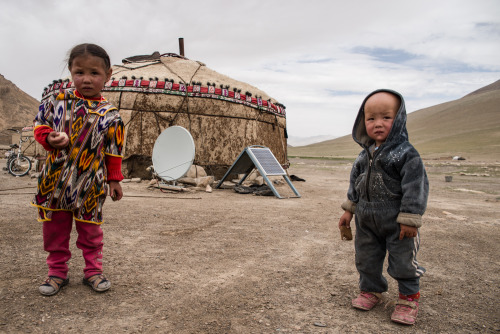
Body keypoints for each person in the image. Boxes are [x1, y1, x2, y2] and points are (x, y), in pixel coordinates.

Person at [31, 43, 124, 296]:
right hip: (55, 180)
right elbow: (40, 125)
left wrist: (114, 180)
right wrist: (49, 138)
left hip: (91, 181)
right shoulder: (56, 101)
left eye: (94, 73)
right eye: (79, 72)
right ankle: (56, 273)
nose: (86, 79)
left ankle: (93, 272)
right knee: (55, 231)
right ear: (71, 72)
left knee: (91, 230)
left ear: (108, 75)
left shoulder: (111, 115)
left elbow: (113, 150)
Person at [338, 89, 429, 325]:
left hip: (396, 219)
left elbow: (416, 186)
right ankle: (371, 290)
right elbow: (355, 183)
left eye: (386, 117)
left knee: (402, 260)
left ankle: (408, 297)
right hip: (366, 218)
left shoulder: (406, 154)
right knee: (366, 257)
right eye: (371, 119)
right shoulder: (363, 155)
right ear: (362, 121)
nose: (378, 124)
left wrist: (410, 218)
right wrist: (349, 209)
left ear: (398, 119)